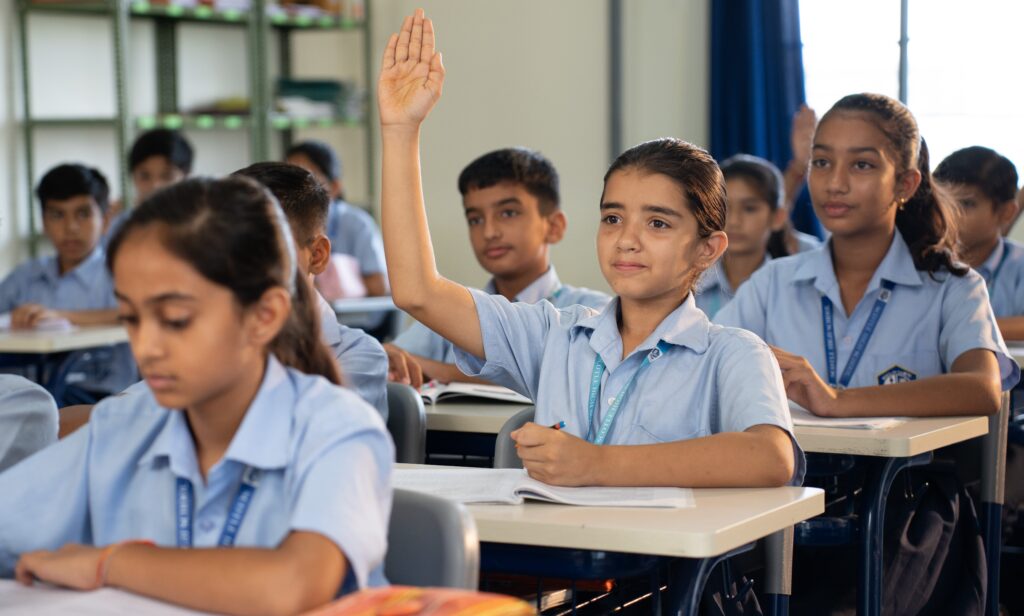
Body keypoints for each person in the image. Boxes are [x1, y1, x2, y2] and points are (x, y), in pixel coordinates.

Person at [376, 9, 799, 488]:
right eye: (613, 218)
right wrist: (400, 132)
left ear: (708, 248)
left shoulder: (732, 352)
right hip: (564, 556)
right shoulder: (556, 338)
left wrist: (597, 464)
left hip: (662, 561)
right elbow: (417, 292)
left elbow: (770, 456)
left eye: (657, 222)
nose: (627, 239)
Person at [0, 177, 392, 613]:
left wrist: (111, 562)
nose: (145, 347)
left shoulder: (336, 428)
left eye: (175, 319)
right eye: (131, 318)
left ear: (264, 316)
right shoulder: (125, 427)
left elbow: (293, 585)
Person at [716, 93, 1018, 417]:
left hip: (907, 469)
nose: (835, 183)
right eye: (821, 162)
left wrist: (836, 400)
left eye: (862, 165)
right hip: (789, 467)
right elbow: (706, 366)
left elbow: (982, 388)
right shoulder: (772, 283)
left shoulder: (951, 287)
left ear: (905, 184)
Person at [387, 147, 610, 383]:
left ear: (554, 227)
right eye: (476, 219)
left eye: (508, 213)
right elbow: (393, 358)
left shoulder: (593, 310)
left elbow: (561, 380)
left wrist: (433, 370)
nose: (489, 232)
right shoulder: (452, 312)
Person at [0, 164, 136, 404]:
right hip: (25, 395)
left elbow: (135, 312)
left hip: (99, 397)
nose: (70, 227)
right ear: (43, 222)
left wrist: (57, 316)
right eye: (57, 215)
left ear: (104, 220)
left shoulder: (121, 273)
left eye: (83, 214)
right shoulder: (25, 277)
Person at [934, 146, 1024, 340]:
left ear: (1006, 212)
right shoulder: (921, 262)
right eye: (943, 202)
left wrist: (961, 325)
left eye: (966, 204)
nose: (951, 214)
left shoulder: (1019, 264)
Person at [285, 140, 389, 298]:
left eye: (305, 182)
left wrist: (333, 281)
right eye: (288, 181)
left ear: (334, 187)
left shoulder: (358, 224)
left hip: (355, 318)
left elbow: (379, 286)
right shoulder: (281, 222)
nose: (293, 191)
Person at [696, 154, 789, 318]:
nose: (734, 221)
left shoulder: (789, 290)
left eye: (749, 208)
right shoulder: (688, 284)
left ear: (777, 217)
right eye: (725, 208)